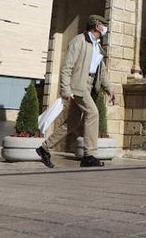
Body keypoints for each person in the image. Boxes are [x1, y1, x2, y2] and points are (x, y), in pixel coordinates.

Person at [37, 14, 115, 168]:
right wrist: (65, 89)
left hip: (90, 84)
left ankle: (44, 148)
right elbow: (67, 67)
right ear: (96, 25)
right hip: (78, 85)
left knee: (72, 122)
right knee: (93, 113)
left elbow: (102, 71)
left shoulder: (98, 46)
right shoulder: (78, 41)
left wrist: (109, 89)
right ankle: (89, 155)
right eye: (104, 25)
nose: (106, 28)